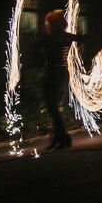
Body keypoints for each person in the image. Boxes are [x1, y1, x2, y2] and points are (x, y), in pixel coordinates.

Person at [35, 9, 85, 150]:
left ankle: (64, 137)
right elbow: (83, 39)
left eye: (47, 21)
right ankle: (58, 138)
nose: (45, 23)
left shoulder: (50, 37)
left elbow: (36, 47)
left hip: (52, 72)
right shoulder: (67, 36)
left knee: (52, 107)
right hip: (63, 72)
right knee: (54, 107)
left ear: (52, 22)